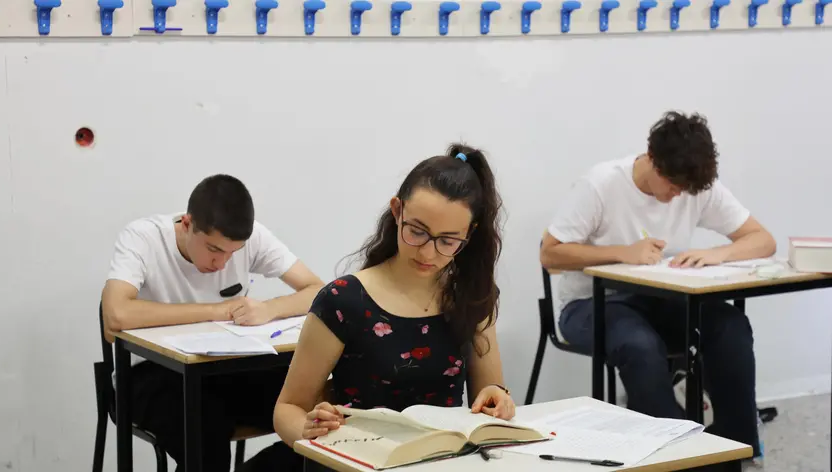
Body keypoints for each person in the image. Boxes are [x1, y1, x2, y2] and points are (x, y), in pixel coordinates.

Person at [236, 143, 515, 471]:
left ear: (470, 233)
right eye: (417, 231)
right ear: (397, 211)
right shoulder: (344, 300)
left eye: (448, 241)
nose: (428, 252)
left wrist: (498, 400)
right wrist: (307, 429)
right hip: (354, 461)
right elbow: (288, 409)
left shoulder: (471, 297)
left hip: (438, 461)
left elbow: (489, 395)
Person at [539, 111, 776, 461]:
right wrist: (623, 253)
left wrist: (719, 253)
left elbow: (762, 239)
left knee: (730, 327)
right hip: (589, 305)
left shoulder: (695, 187)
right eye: (671, 186)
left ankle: (735, 449)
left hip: (662, 300)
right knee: (639, 346)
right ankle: (680, 456)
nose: (676, 196)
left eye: (684, 190)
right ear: (652, 158)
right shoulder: (601, 184)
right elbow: (550, 253)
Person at [101, 174, 324, 472]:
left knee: (315, 412)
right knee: (206, 435)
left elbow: (319, 292)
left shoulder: (252, 237)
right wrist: (215, 310)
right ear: (187, 223)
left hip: (225, 366)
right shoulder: (143, 237)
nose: (222, 264)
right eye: (214, 250)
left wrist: (270, 308)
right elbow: (116, 313)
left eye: (233, 254)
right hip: (149, 374)